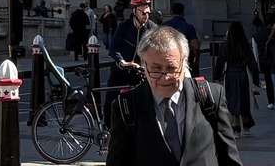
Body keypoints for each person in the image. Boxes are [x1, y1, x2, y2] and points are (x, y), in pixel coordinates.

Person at [104, 25, 242, 166]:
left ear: (185, 63)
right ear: (144, 65)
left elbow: (230, 158)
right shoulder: (127, 106)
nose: (165, 78)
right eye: (156, 69)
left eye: (172, 68)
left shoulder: (210, 97)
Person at [107, 0, 155, 103]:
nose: (146, 16)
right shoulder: (124, 26)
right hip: (120, 70)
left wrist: (146, 65)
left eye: (148, 13)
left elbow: (157, 49)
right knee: (112, 99)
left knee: (144, 100)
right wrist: (122, 62)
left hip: (139, 71)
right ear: (134, 11)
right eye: (143, 12)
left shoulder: (152, 27)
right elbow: (114, 48)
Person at [217, 23, 257, 136]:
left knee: (232, 100)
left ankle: (235, 127)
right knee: (244, 100)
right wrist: (255, 79)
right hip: (243, 75)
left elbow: (220, 63)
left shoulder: (225, 46)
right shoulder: (245, 45)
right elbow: (252, 64)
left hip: (230, 75)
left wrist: (217, 76)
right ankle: (246, 124)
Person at [163, 4, 199, 76]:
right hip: (184, 58)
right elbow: (196, 46)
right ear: (183, 12)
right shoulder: (189, 27)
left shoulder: (164, 26)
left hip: (168, 58)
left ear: (171, 12)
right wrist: (197, 59)